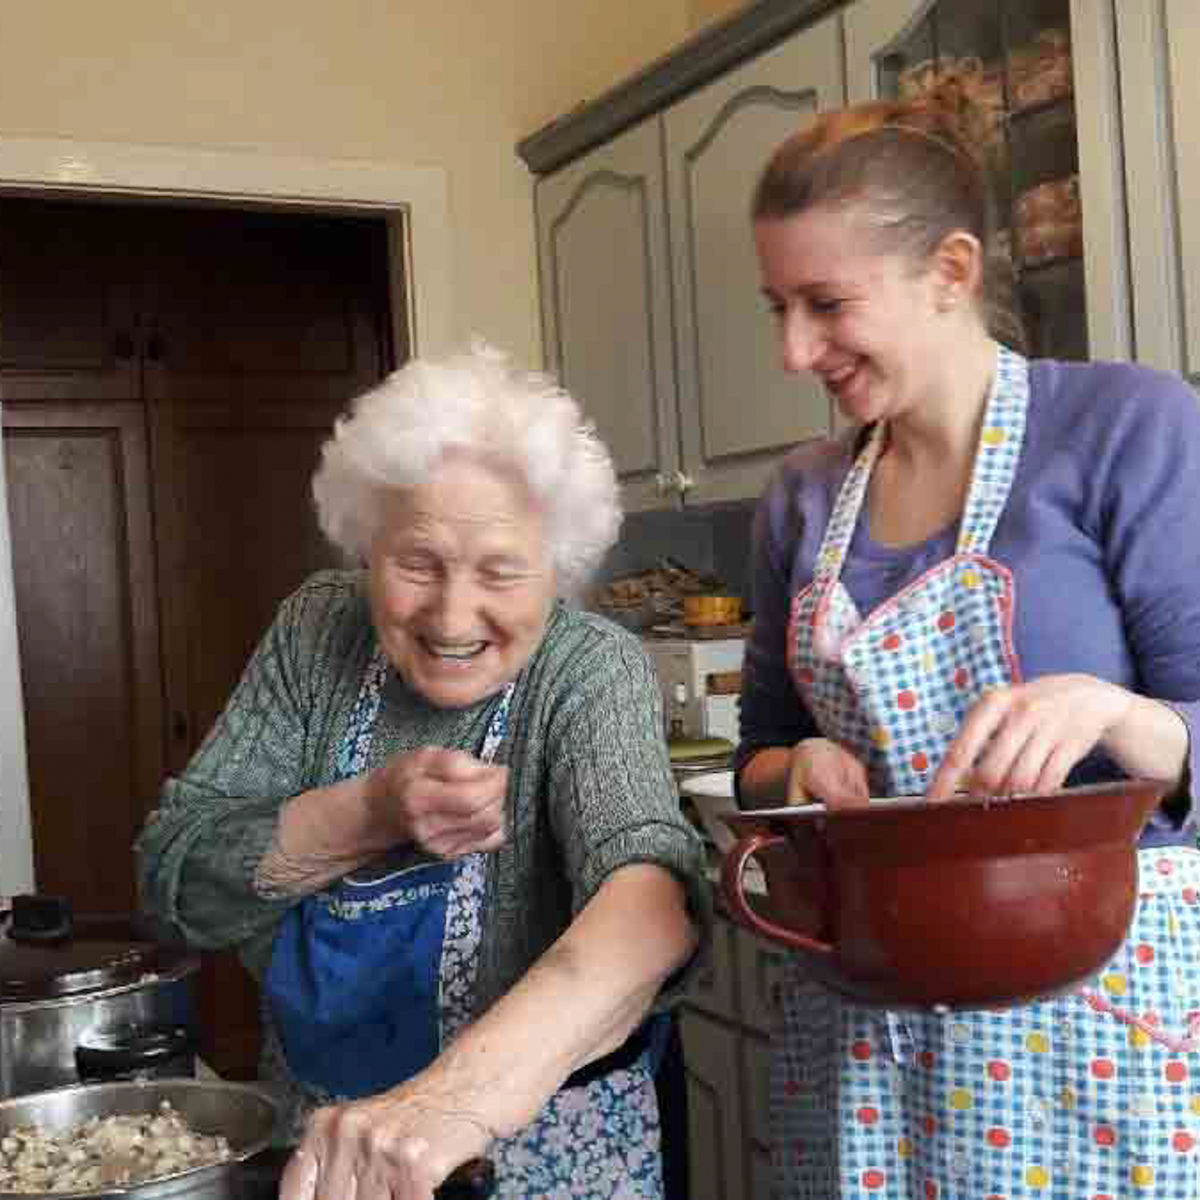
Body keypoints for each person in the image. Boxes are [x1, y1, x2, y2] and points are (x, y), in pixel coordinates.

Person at [735, 86, 1200, 1198]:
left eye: (827, 304)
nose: (795, 351)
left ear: (950, 271)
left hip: (1093, 1034)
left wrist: (1117, 715)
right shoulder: (803, 497)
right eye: (776, 308)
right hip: (863, 1041)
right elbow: (755, 761)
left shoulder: (1127, 428)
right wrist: (796, 768)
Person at [136, 341, 709, 1200]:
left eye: (501, 571)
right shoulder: (314, 633)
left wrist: (446, 1105)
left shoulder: (587, 669)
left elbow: (650, 908)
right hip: (325, 1153)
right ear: (367, 544)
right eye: (417, 564)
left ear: (558, 565)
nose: (451, 614)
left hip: (550, 1157)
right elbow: (175, 882)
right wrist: (367, 814)